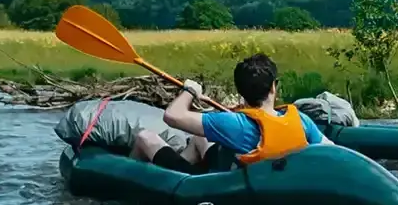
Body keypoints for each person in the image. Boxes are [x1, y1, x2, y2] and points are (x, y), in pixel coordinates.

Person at [129, 52, 324, 173]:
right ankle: (181, 171)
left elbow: (172, 115)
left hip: (219, 190)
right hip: (274, 185)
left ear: (240, 91)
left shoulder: (234, 123)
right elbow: (330, 148)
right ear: (274, 87)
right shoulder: (301, 120)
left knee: (144, 137)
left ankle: (143, 182)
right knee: (200, 138)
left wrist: (189, 91)